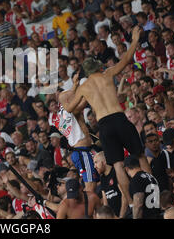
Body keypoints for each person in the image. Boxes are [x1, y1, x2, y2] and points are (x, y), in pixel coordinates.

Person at [69, 26, 152, 206]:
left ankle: (130, 203)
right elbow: (127, 58)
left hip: (104, 125)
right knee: (140, 156)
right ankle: (154, 194)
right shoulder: (107, 74)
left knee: (117, 165)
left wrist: (75, 85)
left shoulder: (83, 88)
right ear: (98, 67)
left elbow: (69, 107)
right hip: (119, 118)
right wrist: (135, 38)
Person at [57, 73, 99, 192]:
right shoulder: (67, 111)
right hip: (82, 152)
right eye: (72, 96)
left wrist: (76, 85)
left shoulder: (65, 112)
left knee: (92, 184)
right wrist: (88, 87)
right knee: (91, 186)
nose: (75, 96)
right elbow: (83, 102)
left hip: (82, 151)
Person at [124, 155, 161, 219]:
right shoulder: (151, 176)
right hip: (157, 214)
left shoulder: (136, 179)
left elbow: (138, 205)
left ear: (126, 168)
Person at [93, 151, 128, 218]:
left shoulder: (116, 173)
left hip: (125, 214)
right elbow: (105, 201)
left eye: (96, 162)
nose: (95, 166)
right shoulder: (102, 178)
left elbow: (125, 196)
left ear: (104, 161)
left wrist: (121, 216)